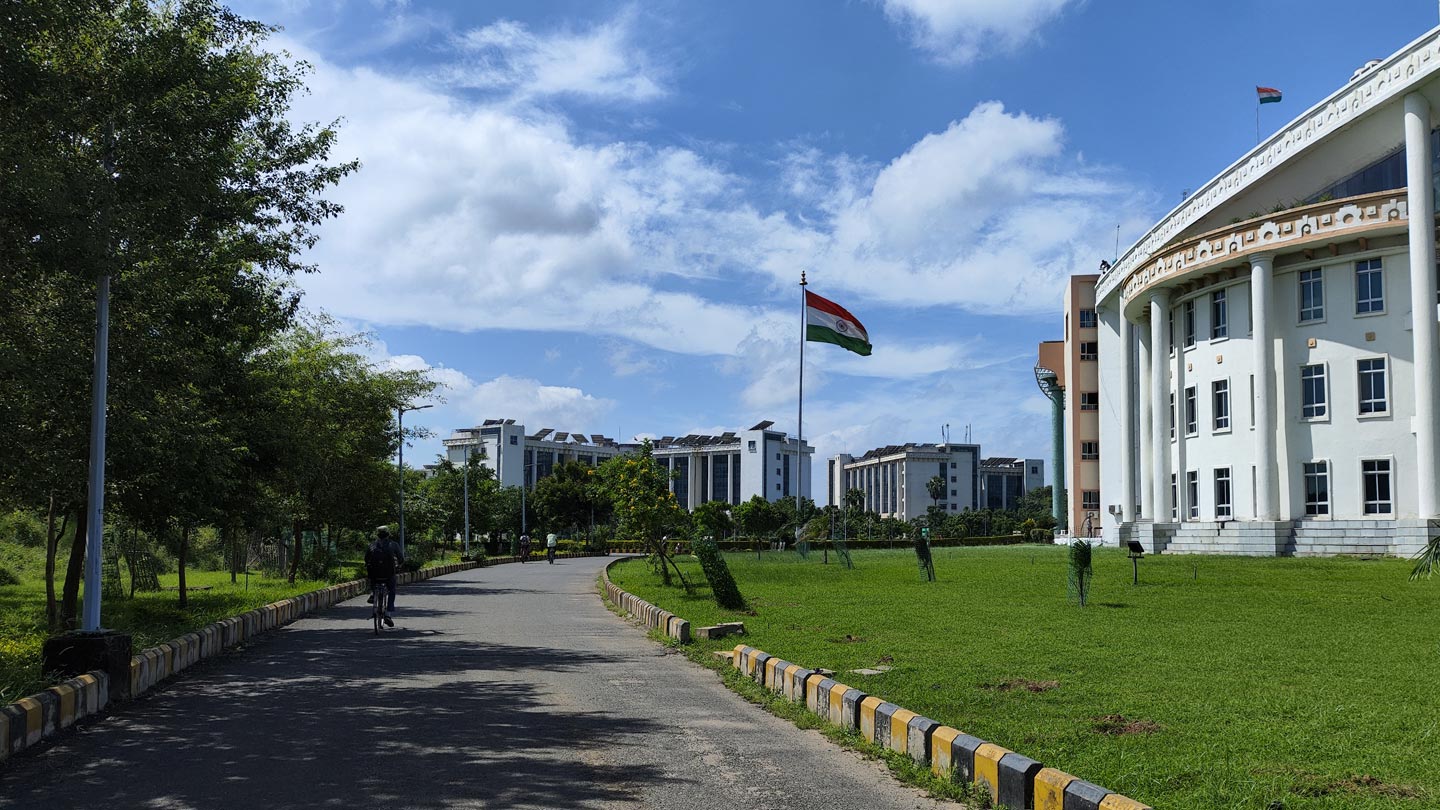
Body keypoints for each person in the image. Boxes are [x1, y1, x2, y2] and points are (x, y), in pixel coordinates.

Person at [364, 528, 398, 627]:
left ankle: (373, 594)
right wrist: (398, 565)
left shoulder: (372, 545)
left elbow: (366, 559)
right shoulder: (393, 544)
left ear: (378, 536)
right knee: (392, 590)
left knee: (372, 579)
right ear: (388, 535)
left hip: (375, 574)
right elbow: (401, 558)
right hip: (389, 574)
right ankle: (388, 614)